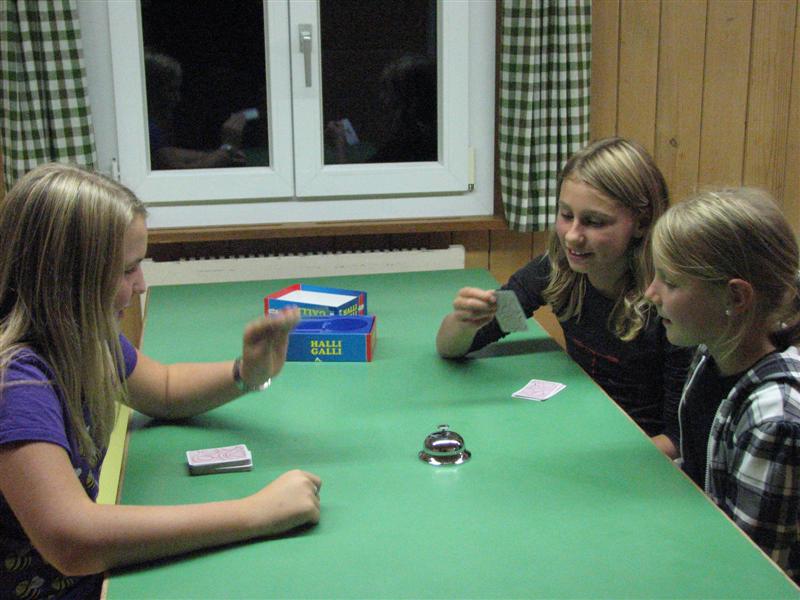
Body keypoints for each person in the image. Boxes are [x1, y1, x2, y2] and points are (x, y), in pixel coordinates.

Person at [0, 163, 321, 598]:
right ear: (67, 278)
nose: (141, 284)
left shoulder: (82, 337)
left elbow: (164, 390)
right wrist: (256, 512)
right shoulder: (16, 382)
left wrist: (246, 373)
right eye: (127, 269)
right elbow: (72, 540)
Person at [436, 137, 693, 445]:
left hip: (643, 452)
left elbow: (679, 439)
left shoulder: (671, 304)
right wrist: (465, 322)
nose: (572, 236)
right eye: (566, 215)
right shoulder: (555, 271)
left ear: (642, 222)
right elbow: (453, 347)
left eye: (594, 222)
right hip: (584, 428)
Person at [645, 188, 800, 581]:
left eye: (670, 282)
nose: (651, 293)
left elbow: (756, 575)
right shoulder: (711, 353)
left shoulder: (775, 421)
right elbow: (699, 472)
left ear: (735, 297)